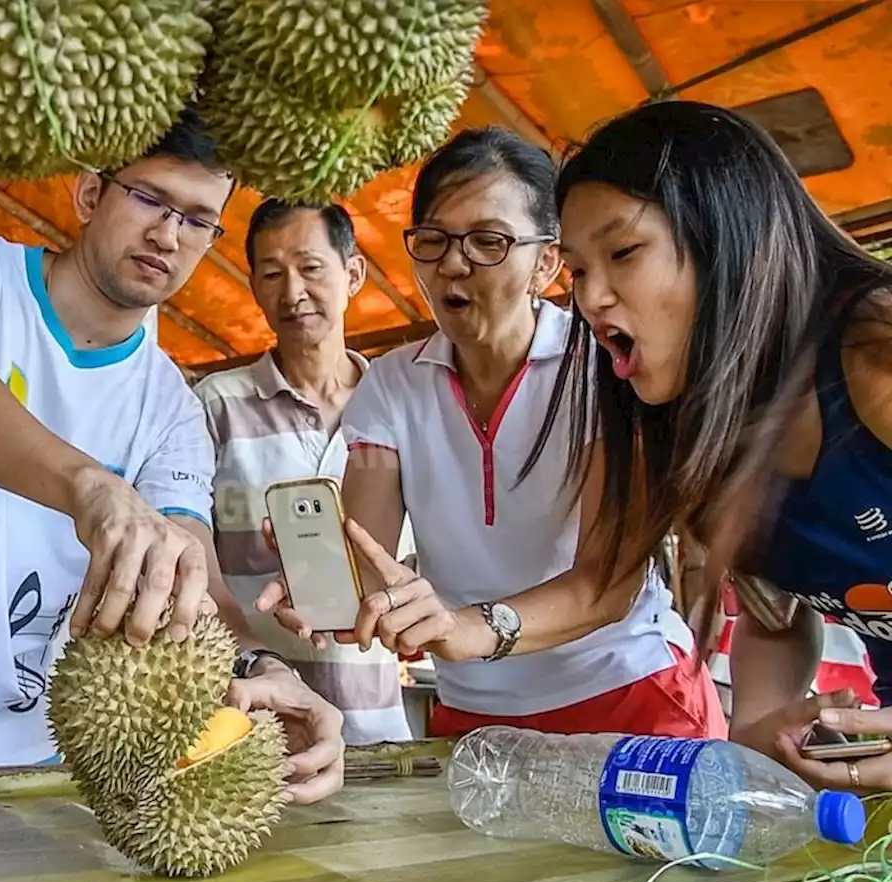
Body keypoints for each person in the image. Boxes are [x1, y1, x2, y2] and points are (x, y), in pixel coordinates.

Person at [0, 107, 345, 803]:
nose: (168, 235)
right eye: (149, 199)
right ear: (89, 194)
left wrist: (265, 665)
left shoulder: (172, 406)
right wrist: (92, 488)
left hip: (27, 769)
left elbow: (190, 572)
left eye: (198, 219)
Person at [257, 125, 726, 739]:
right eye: (434, 240)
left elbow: (605, 583)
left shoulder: (603, 368)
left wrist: (469, 628)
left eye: (489, 240)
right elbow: (370, 556)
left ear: (548, 262)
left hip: (626, 691)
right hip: (477, 715)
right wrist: (337, 592)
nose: (454, 262)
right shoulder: (391, 387)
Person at [524, 99, 891, 790]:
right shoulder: (711, 433)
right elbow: (775, 613)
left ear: (730, 238)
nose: (590, 298)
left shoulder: (874, 350)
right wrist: (762, 728)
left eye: (623, 252)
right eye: (575, 271)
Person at [194, 198, 414, 747]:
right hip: (252, 726)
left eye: (311, 268)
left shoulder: (397, 406)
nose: (292, 292)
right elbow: (191, 555)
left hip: (379, 723)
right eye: (271, 274)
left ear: (354, 273)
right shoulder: (215, 405)